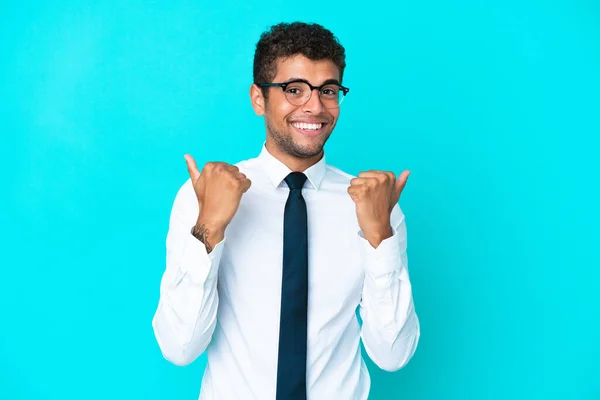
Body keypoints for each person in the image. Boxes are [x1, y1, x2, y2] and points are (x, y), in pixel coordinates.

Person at [152, 21, 420, 400]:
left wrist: (379, 237)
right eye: (294, 90)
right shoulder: (204, 195)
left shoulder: (373, 203)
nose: (314, 105)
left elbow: (393, 355)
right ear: (258, 98)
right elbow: (180, 348)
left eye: (328, 90)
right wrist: (209, 227)